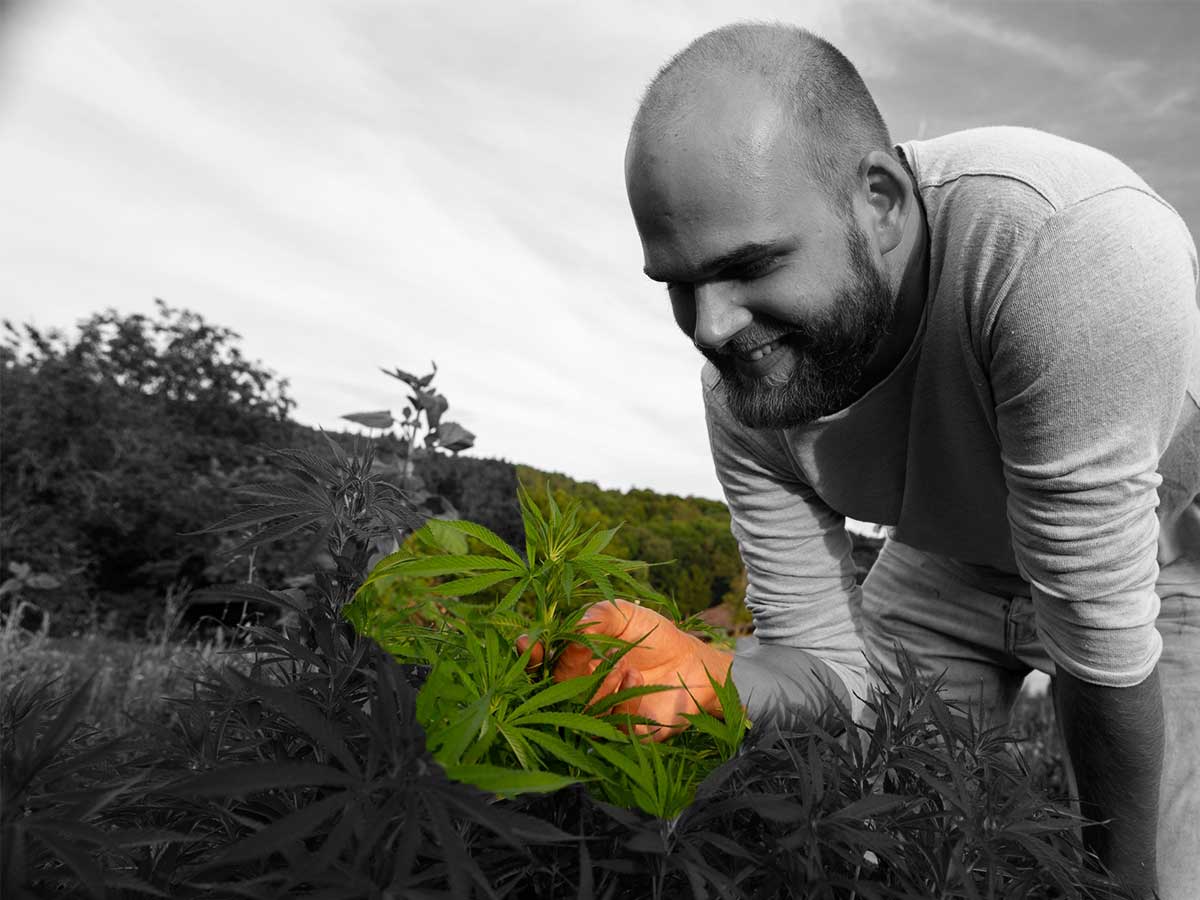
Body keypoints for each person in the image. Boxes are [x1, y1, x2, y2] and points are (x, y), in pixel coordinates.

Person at [521, 22, 1199, 899]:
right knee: (887, 853)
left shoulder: (1065, 246)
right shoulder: (743, 386)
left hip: (1164, 564)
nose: (713, 327)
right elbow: (820, 671)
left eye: (750, 265)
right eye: (678, 284)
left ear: (879, 200)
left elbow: (1100, 646)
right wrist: (699, 676)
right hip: (946, 563)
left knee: (1165, 875)